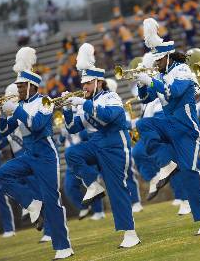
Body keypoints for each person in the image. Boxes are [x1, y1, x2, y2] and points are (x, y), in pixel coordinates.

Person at [135, 18, 200, 234]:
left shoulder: (182, 70)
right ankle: (166, 163)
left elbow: (173, 93)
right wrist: (141, 84)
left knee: (190, 173)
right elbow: (146, 99)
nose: (155, 64)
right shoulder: (162, 73)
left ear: (166, 57)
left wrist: (151, 81)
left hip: (186, 129)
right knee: (143, 123)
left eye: (157, 60)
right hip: (168, 124)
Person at [0, 47, 73, 259]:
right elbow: (3, 132)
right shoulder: (19, 104)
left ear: (31, 85)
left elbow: (36, 124)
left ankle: (63, 246)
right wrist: (3, 115)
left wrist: (16, 109)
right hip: (29, 154)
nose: (18, 90)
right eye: (17, 86)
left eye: (21, 86)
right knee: (1, 175)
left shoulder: (44, 102)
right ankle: (32, 203)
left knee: (52, 199)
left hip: (46, 155)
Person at [64, 43, 141, 248]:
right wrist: (68, 109)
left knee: (117, 191)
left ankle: (130, 233)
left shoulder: (111, 97)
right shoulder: (85, 101)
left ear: (98, 82)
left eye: (88, 84)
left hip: (115, 147)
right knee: (72, 153)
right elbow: (72, 128)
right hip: (95, 145)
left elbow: (106, 117)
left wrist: (83, 104)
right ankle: (93, 183)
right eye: (84, 84)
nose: (84, 88)